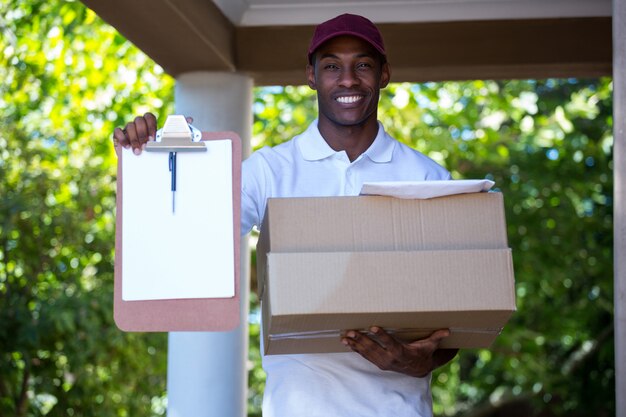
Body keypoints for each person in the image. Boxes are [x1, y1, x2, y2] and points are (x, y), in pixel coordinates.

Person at [114, 13, 458, 417]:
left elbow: (455, 314)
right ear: (311, 77)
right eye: (331, 66)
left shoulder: (427, 177)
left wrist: (420, 363)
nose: (348, 79)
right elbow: (189, 243)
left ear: (384, 74)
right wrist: (153, 165)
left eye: (362, 64)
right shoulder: (268, 171)